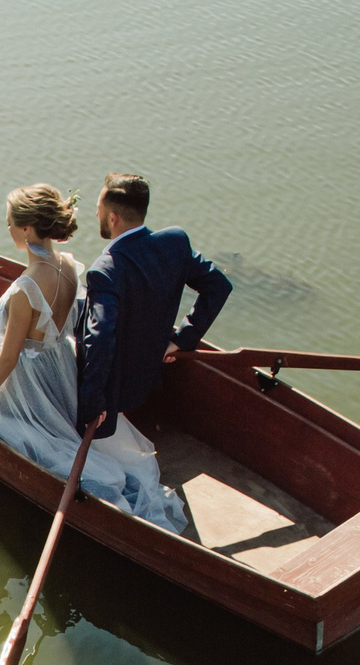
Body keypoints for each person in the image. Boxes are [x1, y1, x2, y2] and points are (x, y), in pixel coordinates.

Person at [0, 184, 190, 532]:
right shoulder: (69, 267)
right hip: (60, 364)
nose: (8, 228)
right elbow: (35, 322)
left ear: (27, 228)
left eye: (10, 222)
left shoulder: (26, 287)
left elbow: (9, 357)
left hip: (29, 379)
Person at [74, 172, 231, 527]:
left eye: (98, 209)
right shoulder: (174, 242)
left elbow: (99, 340)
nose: (97, 216)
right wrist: (183, 338)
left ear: (112, 218)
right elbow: (218, 285)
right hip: (150, 376)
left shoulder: (105, 270)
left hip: (118, 389)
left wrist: (91, 407)